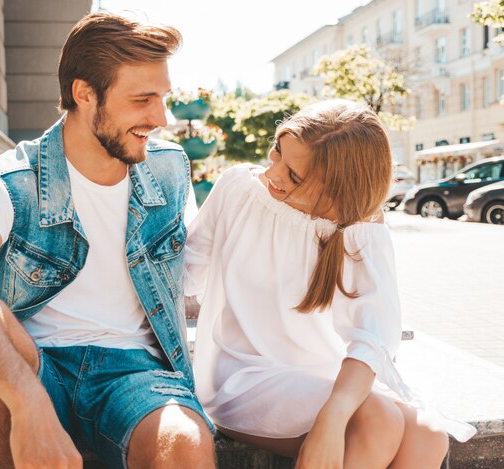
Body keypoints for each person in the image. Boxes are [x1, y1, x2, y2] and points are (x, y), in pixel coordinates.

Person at [0, 11, 215, 469]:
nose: (161, 117)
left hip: (137, 375)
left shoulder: (169, 168)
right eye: (143, 99)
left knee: (185, 441)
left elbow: (207, 268)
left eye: (163, 97)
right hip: (33, 366)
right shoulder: (7, 181)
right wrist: (28, 402)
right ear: (84, 94)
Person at [185, 100, 476, 468]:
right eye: (277, 153)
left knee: (429, 435)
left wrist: (332, 418)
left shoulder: (359, 230)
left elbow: (373, 337)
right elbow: (182, 273)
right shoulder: (238, 188)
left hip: (323, 376)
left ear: (338, 191)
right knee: (378, 420)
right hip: (244, 376)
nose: (274, 174)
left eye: (294, 176)